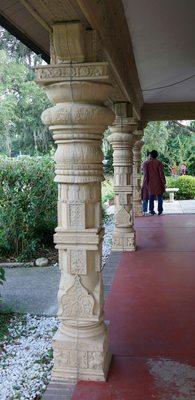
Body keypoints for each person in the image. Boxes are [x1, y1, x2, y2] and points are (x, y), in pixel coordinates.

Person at [145, 150, 166, 215]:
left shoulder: (147, 163)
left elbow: (146, 174)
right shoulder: (159, 163)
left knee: (151, 197)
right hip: (158, 182)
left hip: (150, 182)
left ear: (151, 155)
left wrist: (146, 182)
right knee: (160, 197)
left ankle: (151, 210)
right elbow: (161, 174)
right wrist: (164, 182)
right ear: (157, 155)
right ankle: (160, 211)